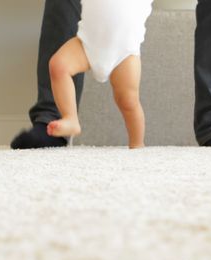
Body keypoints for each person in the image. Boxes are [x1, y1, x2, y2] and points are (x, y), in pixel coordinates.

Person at [11, 0, 211, 150]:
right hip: (88, 38)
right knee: (59, 66)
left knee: (128, 99)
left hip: (124, 45)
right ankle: (58, 119)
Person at [47, 0, 153, 149]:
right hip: (87, 43)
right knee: (58, 66)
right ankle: (71, 118)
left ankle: (137, 143)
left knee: (128, 101)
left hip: (125, 53)